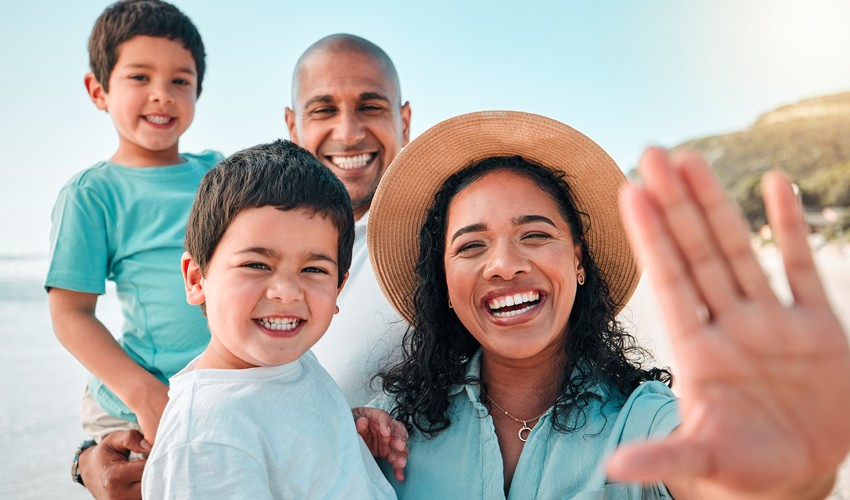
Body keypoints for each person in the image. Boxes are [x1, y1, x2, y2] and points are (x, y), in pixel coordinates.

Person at [367, 111, 850, 498]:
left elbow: (722, 477)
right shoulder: (388, 431)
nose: (504, 265)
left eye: (535, 235)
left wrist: (781, 474)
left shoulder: (642, 419)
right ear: (445, 284)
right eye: (471, 246)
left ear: (579, 261)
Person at [140, 140, 405, 498]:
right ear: (195, 279)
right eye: (256, 265)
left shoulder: (295, 362)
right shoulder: (207, 436)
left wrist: (346, 432)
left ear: (338, 288)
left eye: (313, 269)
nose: (287, 291)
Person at [44, 0, 221, 496]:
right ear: (98, 90)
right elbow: (71, 314)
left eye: (180, 81)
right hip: (137, 397)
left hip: (214, 388)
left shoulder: (220, 173)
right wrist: (145, 393)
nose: (162, 95)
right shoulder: (92, 194)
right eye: (140, 77)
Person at [285, 34, 412, 406]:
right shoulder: (259, 248)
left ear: (404, 122)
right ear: (293, 128)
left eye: (370, 107)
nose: (349, 133)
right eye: (324, 110)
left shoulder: (440, 240)